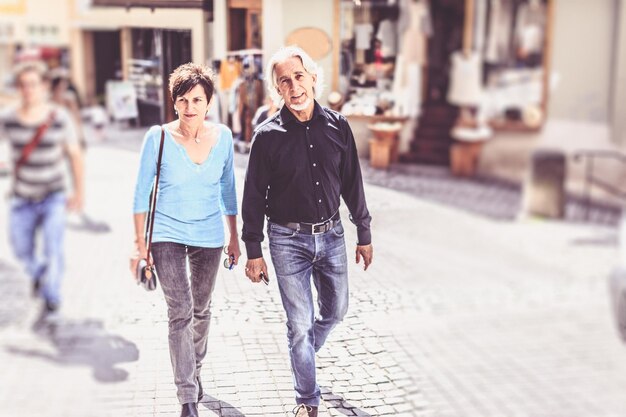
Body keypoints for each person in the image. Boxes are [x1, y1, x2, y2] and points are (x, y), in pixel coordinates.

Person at [241, 46, 374, 417]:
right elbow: (252, 197)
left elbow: (353, 184)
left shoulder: (338, 126)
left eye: (299, 77)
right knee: (298, 324)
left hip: (331, 236)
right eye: (285, 81)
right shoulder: (266, 137)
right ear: (278, 90)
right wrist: (254, 251)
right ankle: (307, 398)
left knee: (336, 311)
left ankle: (302, 354)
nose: (294, 86)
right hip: (287, 241)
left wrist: (364, 233)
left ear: (313, 78)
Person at [131, 62, 240, 417]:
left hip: (209, 235)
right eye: (183, 100)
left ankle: (194, 369)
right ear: (173, 102)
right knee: (180, 312)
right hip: (167, 234)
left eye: (197, 99)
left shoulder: (222, 137)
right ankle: (187, 398)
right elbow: (139, 194)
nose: (190, 107)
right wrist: (139, 244)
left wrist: (234, 236)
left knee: (202, 310)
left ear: (209, 102)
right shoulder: (158, 137)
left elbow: (228, 189)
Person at [0, 61, 84, 320]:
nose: (28, 90)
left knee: (53, 247)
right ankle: (38, 273)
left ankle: (52, 297)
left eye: (33, 84)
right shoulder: (8, 119)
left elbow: (74, 154)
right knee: (20, 247)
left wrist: (79, 192)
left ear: (44, 86)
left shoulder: (59, 117)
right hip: (22, 197)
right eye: (23, 85)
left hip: (53, 195)